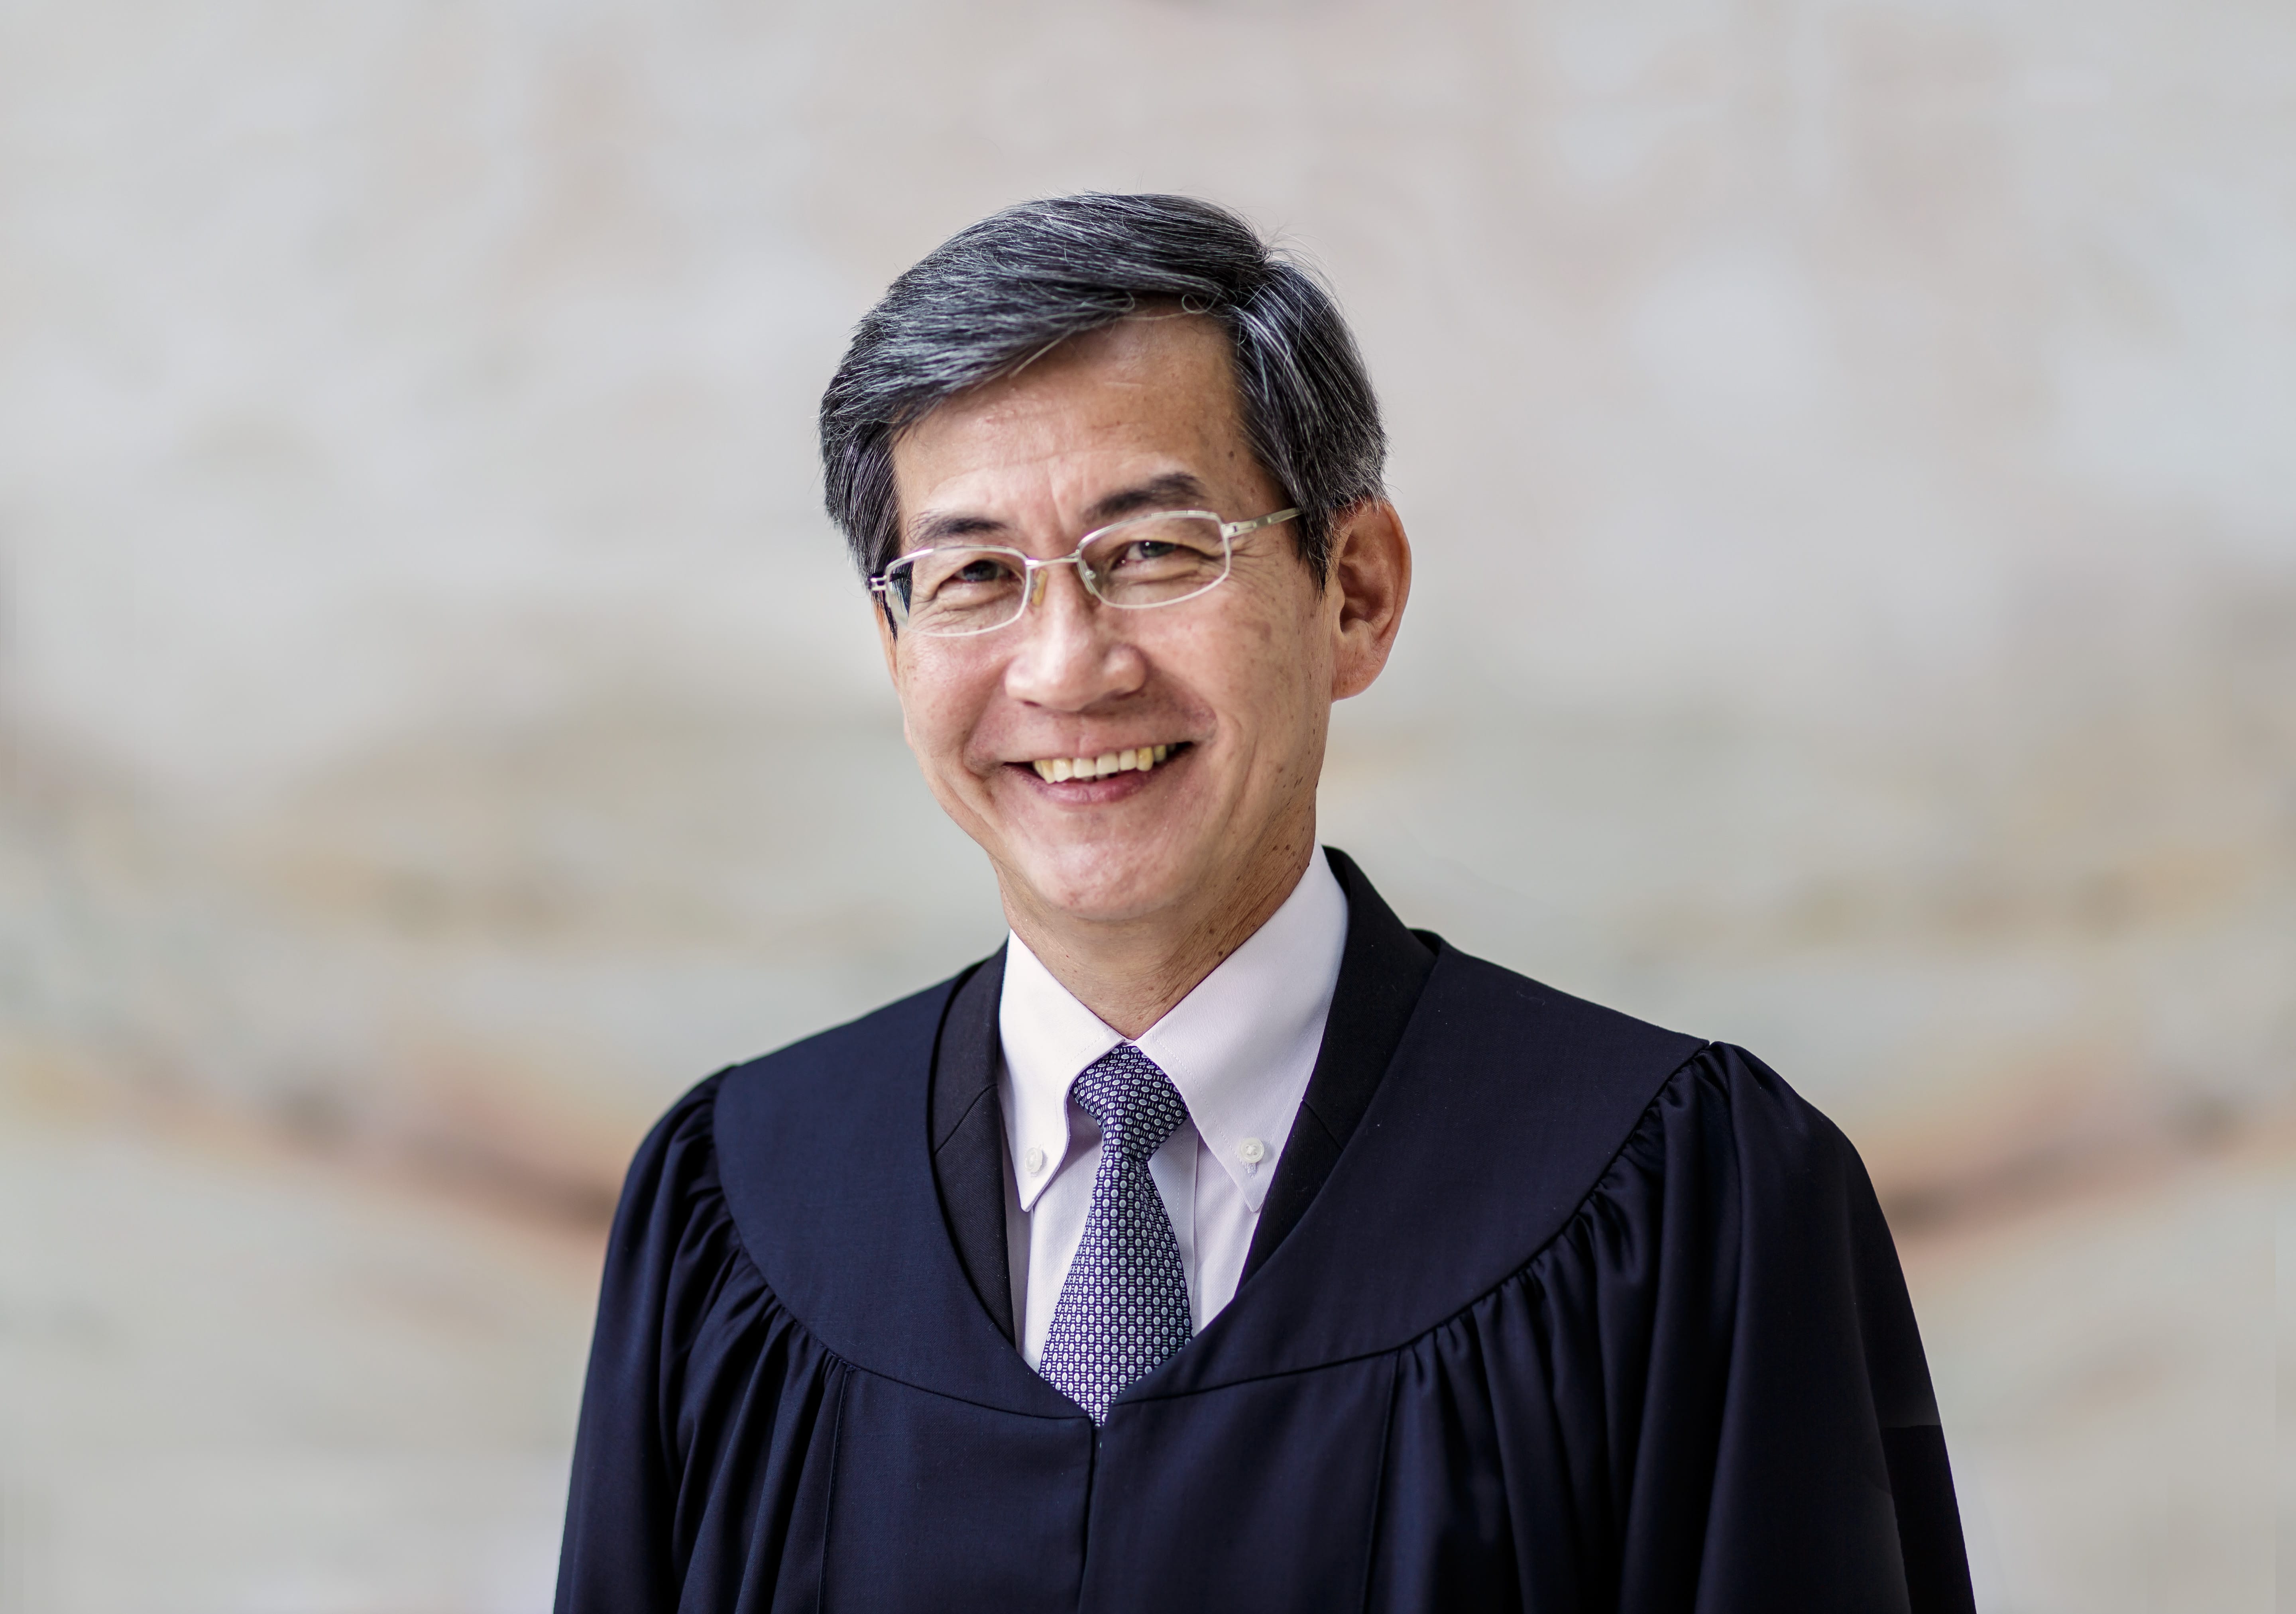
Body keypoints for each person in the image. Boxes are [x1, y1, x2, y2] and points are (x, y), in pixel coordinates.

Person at [555, 193, 1974, 1614]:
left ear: (1354, 593)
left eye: (1153, 551)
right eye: (974, 575)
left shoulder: (1683, 1203)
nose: (1067, 668)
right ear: (893, 641)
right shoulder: (734, 1209)